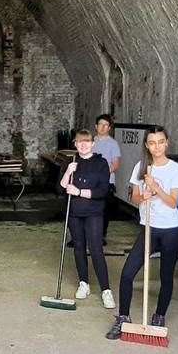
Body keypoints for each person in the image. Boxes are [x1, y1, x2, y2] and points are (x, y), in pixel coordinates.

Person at [105, 126, 178, 339]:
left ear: (166, 143)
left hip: (170, 231)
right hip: (148, 227)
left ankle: (159, 316)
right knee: (127, 273)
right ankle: (123, 318)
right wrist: (145, 195)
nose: (156, 147)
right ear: (147, 145)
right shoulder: (141, 167)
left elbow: (173, 202)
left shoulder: (174, 169)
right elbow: (135, 198)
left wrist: (156, 188)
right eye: (152, 143)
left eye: (160, 142)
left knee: (165, 276)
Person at [60, 130, 115, 309]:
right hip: (74, 211)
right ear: (75, 144)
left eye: (87, 142)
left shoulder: (101, 163)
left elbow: (103, 191)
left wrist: (79, 192)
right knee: (78, 247)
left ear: (93, 143)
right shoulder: (71, 162)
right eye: (79, 142)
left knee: (96, 248)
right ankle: (84, 283)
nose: (83, 145)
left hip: (94, 212)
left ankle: (106, 290)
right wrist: (68, 172)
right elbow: (60, 186)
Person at [93, 114, 121, 240]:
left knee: (103, 210)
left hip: (106, 181)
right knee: (88, 208)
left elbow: (115, 165)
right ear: (96, 126)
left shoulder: (113, 144)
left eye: (106, 125)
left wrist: (102, 174)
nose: (103, 127)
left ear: (109, 128)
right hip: (90, 182)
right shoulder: (90, 142)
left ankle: (101, 235)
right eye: (101, 124)